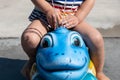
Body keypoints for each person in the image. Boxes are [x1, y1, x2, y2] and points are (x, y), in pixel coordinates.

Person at [21, 0, 110, 80]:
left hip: (72, 18)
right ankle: (33, 61)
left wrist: (78, 17)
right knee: (30, 38)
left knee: (96, 39)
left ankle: (98, 71)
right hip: (45, 17)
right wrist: (48, 9)